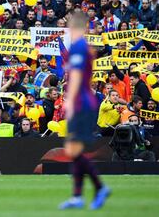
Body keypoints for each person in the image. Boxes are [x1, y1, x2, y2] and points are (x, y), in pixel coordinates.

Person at [59, 11, 110, 210]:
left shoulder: (79, 46)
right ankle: (80, 195)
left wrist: (69, 100)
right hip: (84, 101)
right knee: (74, 149)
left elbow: (78, 76)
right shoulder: (80, 47)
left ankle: (94, 189)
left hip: (81, 102)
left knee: (73, 149)